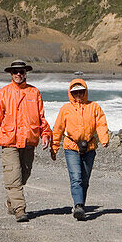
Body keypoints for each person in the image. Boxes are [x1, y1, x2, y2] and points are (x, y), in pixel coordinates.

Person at [0, 60, 51, 222]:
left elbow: (41, 117)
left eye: (21, 71)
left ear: (25, 73)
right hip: (9, 140)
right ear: (11, 74)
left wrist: (45, 134)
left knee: (24, 174)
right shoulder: (3, 93)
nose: (18, 74)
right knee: (13, 175)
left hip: (29, 140)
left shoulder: (34, 93)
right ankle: (20, 209)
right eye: (15, 72)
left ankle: (11, 201)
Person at [50, 78, 109, 221]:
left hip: (89, 147)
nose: (78, 95)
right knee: (76, 177)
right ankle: (78, 206)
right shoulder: (65, 109)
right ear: (71, 93)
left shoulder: (94, 107)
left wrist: (104, 139)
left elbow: (101, 123)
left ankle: (80, 204)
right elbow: (58, 129)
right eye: (75, 92)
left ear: (85, 91)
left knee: (85, 179)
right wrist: (54, 147)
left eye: (81, 92)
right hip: (71, 147)